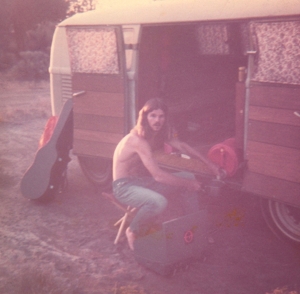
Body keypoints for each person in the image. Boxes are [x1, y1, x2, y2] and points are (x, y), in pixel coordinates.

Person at [112, 98, 221, 250]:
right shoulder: (137, 140)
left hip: (140, 182)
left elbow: (183, 146)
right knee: (159, 202)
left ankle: (193, 229)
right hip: (123, 187)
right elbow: (158, 176)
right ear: (144, 117)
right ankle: (132, 230)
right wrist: (189, 184)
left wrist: (210, 164)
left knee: (188, 176)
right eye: (153, 116)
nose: (157, 120)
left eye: (161, 116)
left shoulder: (154, 134)